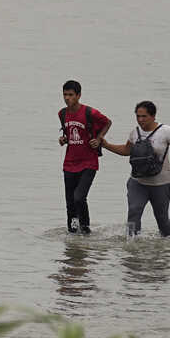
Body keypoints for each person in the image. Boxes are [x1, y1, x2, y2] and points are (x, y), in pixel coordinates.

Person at [102, 101, 170, 237]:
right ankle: (132, 244)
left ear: (153, 116)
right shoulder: (134, 133)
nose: (140, 120)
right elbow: (126, 150)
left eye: (144, 116)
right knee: (134, 211)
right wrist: (106, 145)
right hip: (137, 182)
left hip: (161, 184)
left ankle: (166, 245)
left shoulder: (166, 131)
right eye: (138, 116)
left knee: (161, 217)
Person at [57, 79, 111, 234]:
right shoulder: (62, 114)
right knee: (70, 202)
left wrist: (99, 139)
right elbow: (69, 133)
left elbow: (107, 122)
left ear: (78, 95)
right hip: (69, 163)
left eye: (71, 95)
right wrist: (64, 139)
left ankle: (86, 230)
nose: (67, 98)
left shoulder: (89, 112)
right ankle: (72, 232)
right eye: (65, 95)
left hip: (88, 163)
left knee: (79, 197)